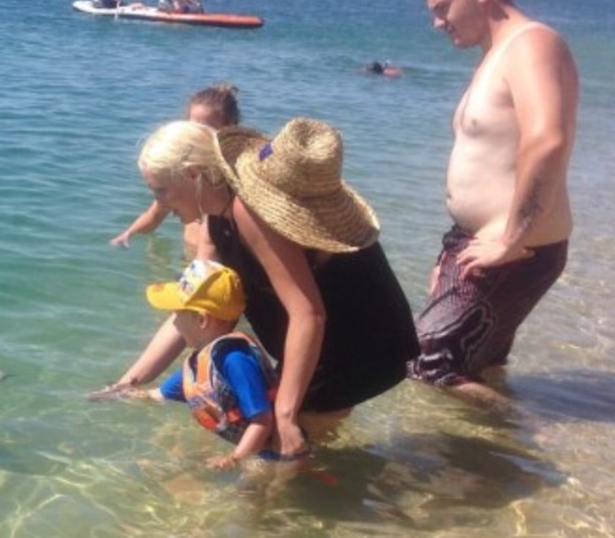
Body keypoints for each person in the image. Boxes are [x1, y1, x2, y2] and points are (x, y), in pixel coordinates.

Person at [97, 117, 420, 458]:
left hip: (358, 342)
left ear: (194, 174)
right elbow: (193, 303)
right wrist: (128, 383)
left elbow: (308, 313)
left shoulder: (251, 209)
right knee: (282, 450)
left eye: (160, 191)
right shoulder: (213, 214)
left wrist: (285, 413)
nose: (160, 204)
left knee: (276, 461)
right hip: (326, 337)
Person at [408, 0, 580, 405]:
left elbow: (548, 139)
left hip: (514, 247)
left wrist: (509, 238)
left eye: (444, 8)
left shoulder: (532, 44)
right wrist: (456, 246)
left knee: (425, 359)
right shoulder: (498, 54)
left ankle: (524, 439)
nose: (438, 23)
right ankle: (494, 471)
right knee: (478, 364)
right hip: (479, 241)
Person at [114, 245, 279, 469]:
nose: (174, 321)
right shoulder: (199, 364)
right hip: (252, 449)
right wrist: (120, 394)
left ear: (202, 320)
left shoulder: (235, 360)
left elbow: (263, 421)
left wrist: (234, 459)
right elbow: (157, 395)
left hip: (271, 454)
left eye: (178, 313)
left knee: (247, 493)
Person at [111, 83, 242, 251]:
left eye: (206, 128)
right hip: (192, 259)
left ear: (231, 127)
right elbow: (154, 215)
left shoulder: (233, 185)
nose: (196, 133)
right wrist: (128, 234)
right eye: (191, 125)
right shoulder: (178, 179)